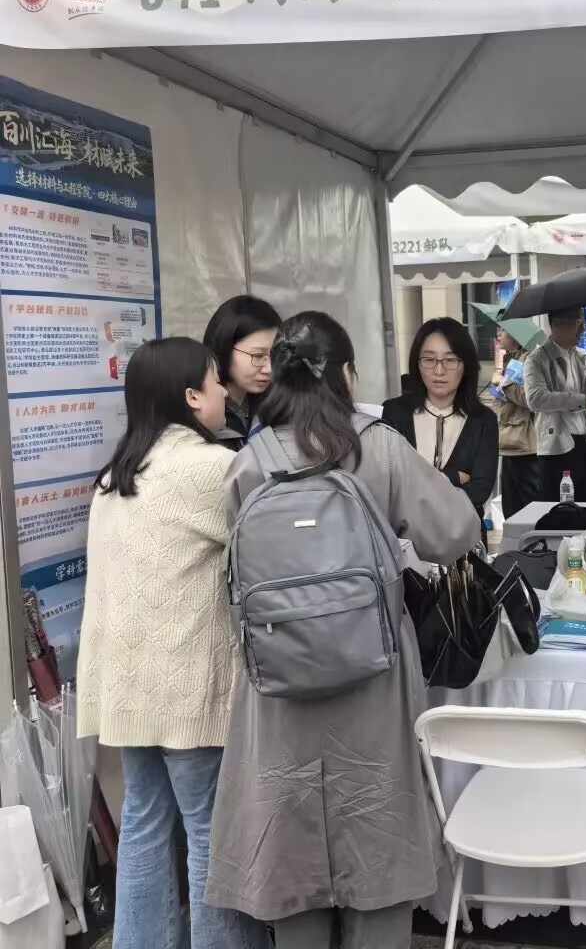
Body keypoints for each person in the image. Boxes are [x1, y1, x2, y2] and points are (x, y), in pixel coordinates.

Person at [205, 312, 480, 949]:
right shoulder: (379, 446)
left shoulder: (250, 460)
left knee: (290, 851)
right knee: (378, 841)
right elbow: (455, 531)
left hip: (278, 686)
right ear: (347, 375)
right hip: (372, 682)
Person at [77, 338, 267, 949]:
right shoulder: (211, 467)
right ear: (191, 396)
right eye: (215, 380)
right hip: (188, 687)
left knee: (143, 822)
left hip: (127, 689)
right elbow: (265, 550)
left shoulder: (114, 477)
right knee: (211, 831)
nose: (224, 393)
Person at [381, 317, 499, 526]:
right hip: (405, 536)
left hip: (463, 535)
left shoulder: (483, 420)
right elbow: (389, 483)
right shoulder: (394, 413)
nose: (438, 371)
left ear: (466, 366)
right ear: (417, 364)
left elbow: (480, 490)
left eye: (450, 360)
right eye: (429, 359)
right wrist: (455, 478)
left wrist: (417, 487)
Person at [524, 307, 586, 502]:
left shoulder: (584, 355)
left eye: (583, 323)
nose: (582, 329)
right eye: (577, 323)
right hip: (558, 448)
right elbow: (536, 398)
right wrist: (582, 400)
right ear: (556, 324)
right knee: (559, 509)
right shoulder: (537, 359)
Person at [203, 295, 282, 450]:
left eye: (275, 355)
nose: (269, 369)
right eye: (258, 356)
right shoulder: (200, 409)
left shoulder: (278, 402)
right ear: (225, 348)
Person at [491, 327, 542, 518]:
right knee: (511, 506)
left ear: (516, 334)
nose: (498, 336)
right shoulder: (515, 359)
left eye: (503, 331)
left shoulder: (530, 360)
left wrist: (503, 383)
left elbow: (530, 398)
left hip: (525, 445)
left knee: (525, 507)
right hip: (511, 442)